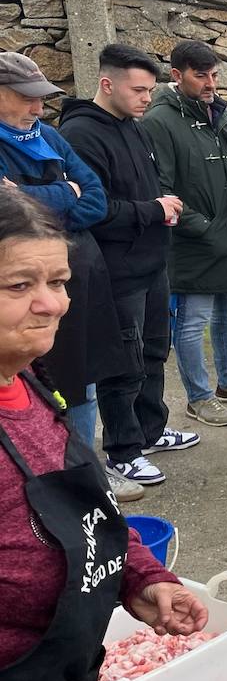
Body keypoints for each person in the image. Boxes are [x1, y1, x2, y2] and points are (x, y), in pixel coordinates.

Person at [0, 186, 208, 681]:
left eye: (59, 280)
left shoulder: (32, 385)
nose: (51, 303)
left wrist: (142, 581)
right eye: (19, 285)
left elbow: (87, 510)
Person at [59, 44, 200, 486]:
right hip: (115, 271)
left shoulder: (133, 126)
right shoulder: (81, 135)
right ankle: (123, 450)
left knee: (155, 352)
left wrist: (162, 207)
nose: (146, 99)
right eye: (138, 90)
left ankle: (151, 431)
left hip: (152, 262)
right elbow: (93, 210)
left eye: (150, 90)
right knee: (123, 362)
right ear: (107, 84)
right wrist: (152, 210)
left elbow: (146, 185)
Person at [0, 53, 133, 495]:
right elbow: (9, 217)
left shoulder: (51, 137)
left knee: (85, 379)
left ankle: (85, 471)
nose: (39, 108)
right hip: (19, 292)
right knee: (37, 383)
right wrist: (64, 194)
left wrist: (36, 199)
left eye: (41, 99)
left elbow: (94, 198)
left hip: (80, 278)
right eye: (27, 98)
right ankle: (46, 476)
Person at [142, 40, 227, 429]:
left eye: (214, 74)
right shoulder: (159, 121)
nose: (210, 83)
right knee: (192, 321)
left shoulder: (224, 115)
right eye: (201, 75)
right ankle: (198, 398)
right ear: (177, 75)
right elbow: (161, 187)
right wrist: (204, 227)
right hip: (193, 242)